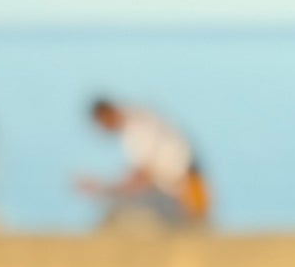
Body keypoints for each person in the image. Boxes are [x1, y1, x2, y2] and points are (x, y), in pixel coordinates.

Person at [76, 98, 211, 231]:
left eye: (101, 124)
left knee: (121, 215)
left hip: (184, 193)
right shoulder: (139, 121)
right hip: (178, 190)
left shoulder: (138, 127)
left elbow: (142, 177)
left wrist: (104, 189)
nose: (102, 130)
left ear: (107, 115)